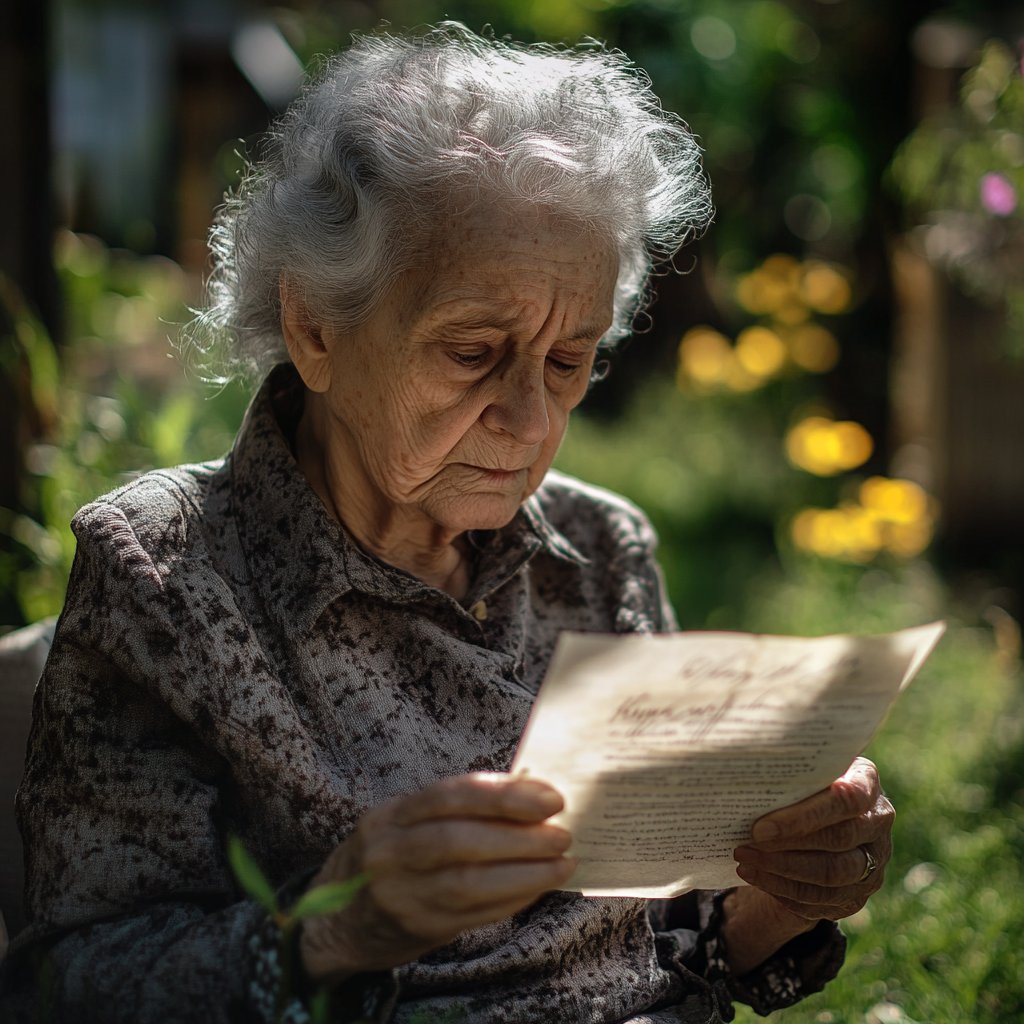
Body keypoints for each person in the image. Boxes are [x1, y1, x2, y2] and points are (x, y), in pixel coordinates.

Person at [1, 23, 893, 1024]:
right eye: (473, 352)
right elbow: (66, 983)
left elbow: (674, 942)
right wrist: (335, 928)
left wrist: (777, 899)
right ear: (315, 326)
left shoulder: (601, 554)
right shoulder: (164, 571)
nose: (530, 420)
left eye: (568, 361)